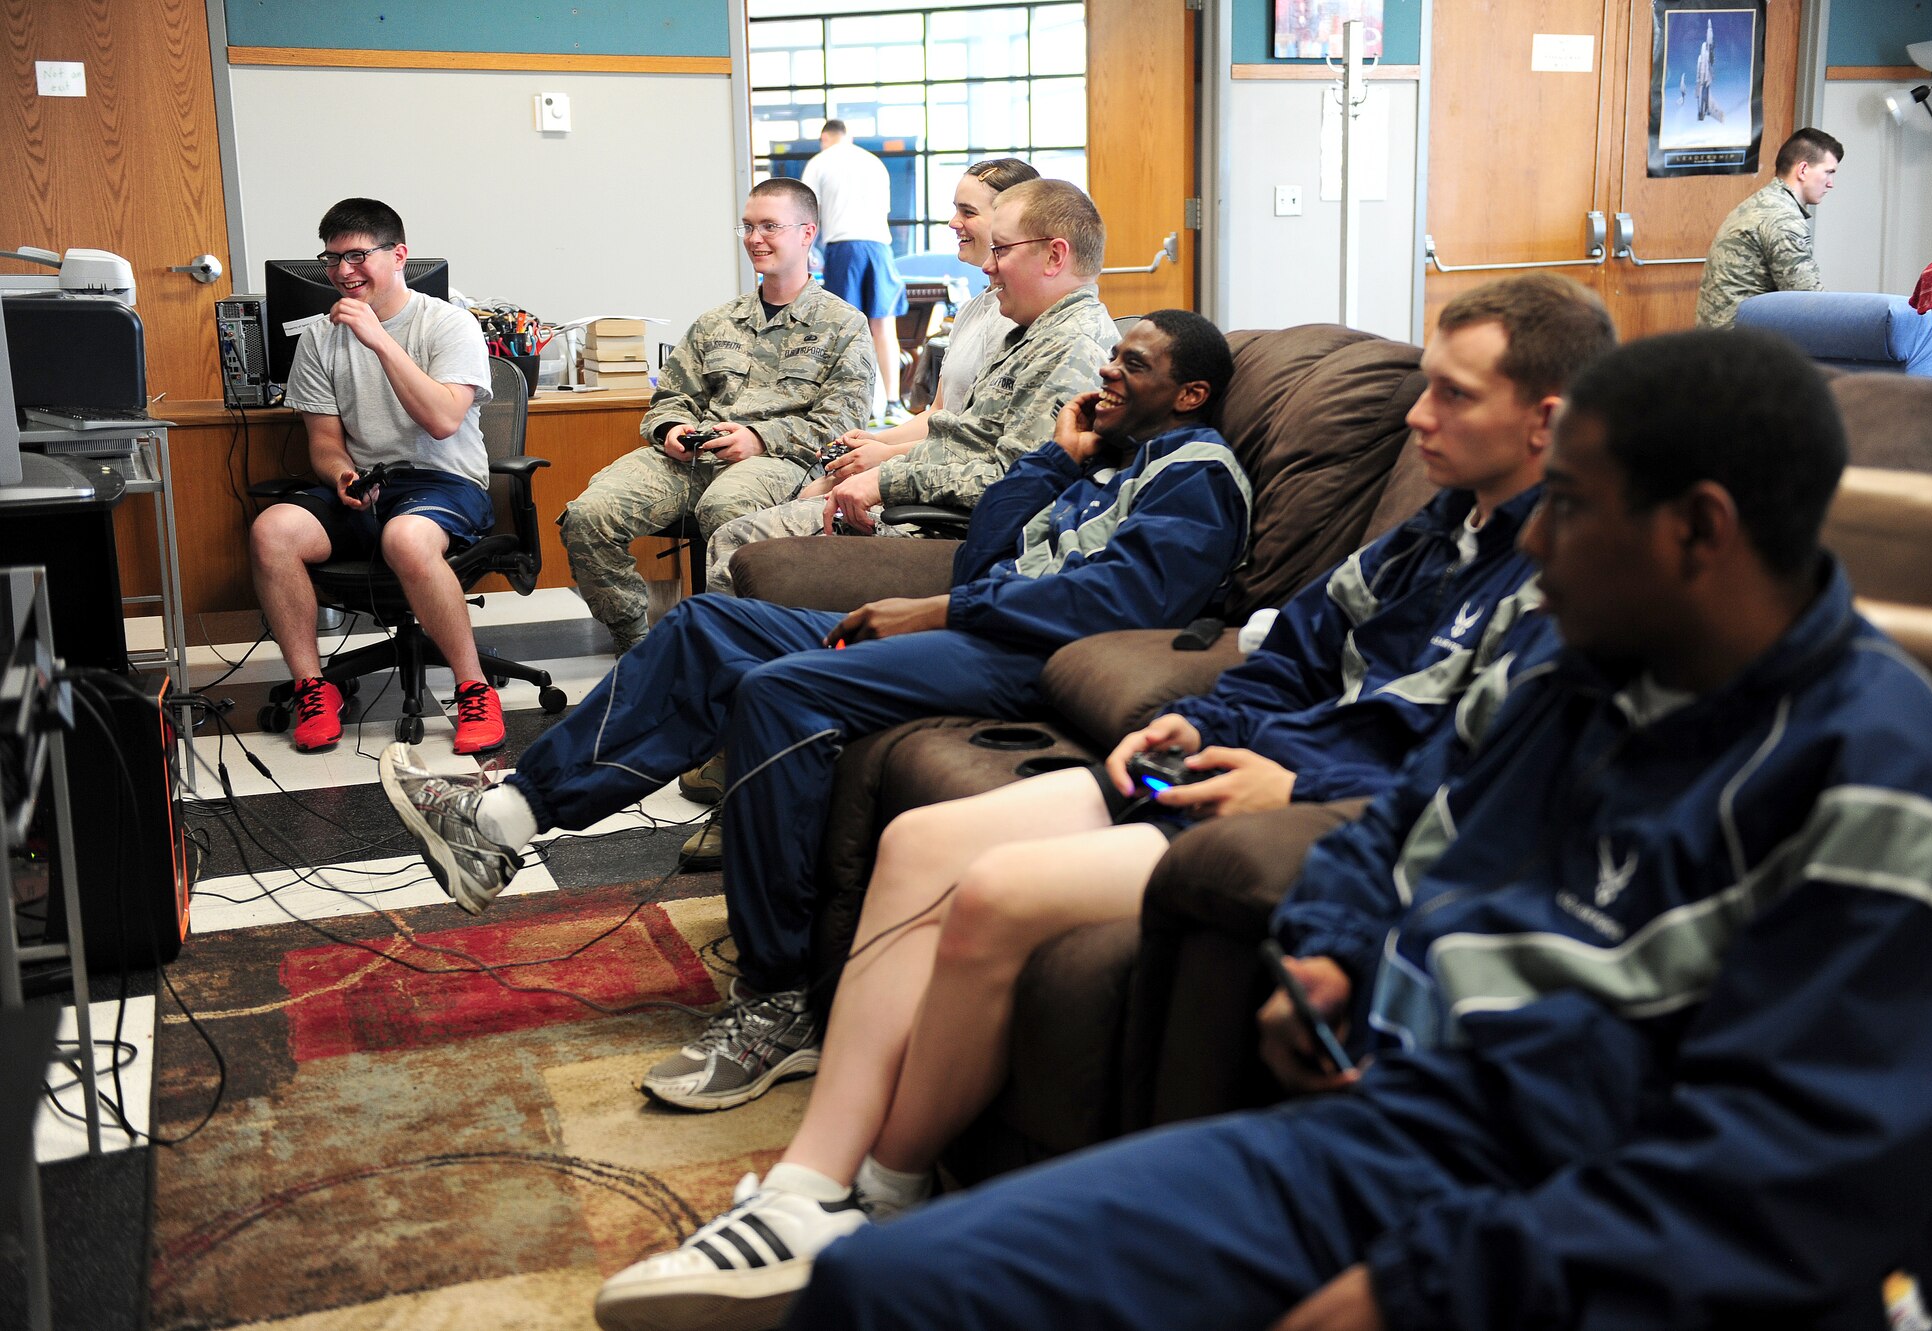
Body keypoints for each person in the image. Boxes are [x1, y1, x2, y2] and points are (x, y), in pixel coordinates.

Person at [783, 327, 1932, 1331]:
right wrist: (1330, 943)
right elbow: (1399, 828)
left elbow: (1771, 1197)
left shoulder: (1899, 786)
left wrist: (1421, 1287)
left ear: (1698, 532)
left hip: (1614, 1243)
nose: (1528, 542)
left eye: (1567, 508)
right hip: (1399, 1148)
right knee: (879, 1287)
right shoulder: (1568, 674)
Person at [585, 274, 1619, 1331]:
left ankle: (885, 1193)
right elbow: (1294, 650)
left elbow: (1483, 762)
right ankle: (807, 1189)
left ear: (1544, 420)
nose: (1415, 413)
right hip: (1242, 766)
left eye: (1451, 395)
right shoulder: (1433, 528)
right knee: (919, 839)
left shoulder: (1573, 572)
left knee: (992, 889)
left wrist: (1298, 781)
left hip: (1305, 805)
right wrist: (1204, 724)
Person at [379, 312, 1251, 1112]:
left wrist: (942, 611)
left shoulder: (1199, 479)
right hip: (987, 625)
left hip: (1026, 660)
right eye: (1113, 356)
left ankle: (783, 995)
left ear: (1190, 394)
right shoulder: (1105, 458)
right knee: (707, 625)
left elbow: (1120, 602)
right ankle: (504, 818)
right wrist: (1054, 461)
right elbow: (983, 554)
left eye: (1131, 364)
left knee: (781, 689)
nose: (1106, 371)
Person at [703, 177, 1119, 580]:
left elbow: (1015, 482)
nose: (989, 266)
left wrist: (884, 479)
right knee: (754, 526)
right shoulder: (1029, 333)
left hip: (951, 530)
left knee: (740, 545)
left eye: (1002, 250)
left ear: (1054, 256)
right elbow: (958, 437)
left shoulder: (1071, 349)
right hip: (926, 496)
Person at [559, 177, 875, 654]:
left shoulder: (843, 325)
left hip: (781, 462)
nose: (755, 239)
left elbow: (841, 426)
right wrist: (671, 429)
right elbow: (668, 397)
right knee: (589, 516)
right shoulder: (717, 321)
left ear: (807, 234)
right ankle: (639, 645)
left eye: (770, 226)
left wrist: (758, 439)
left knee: (726, 511)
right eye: (747, 227)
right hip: (691, 457)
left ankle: (731, 651)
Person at [247, 198, 504, 756]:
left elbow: (441, 421)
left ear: (399, 256)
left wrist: (379, 339)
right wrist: (341, 475)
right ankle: (313, 689)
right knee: (273, 531)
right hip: (368, 483)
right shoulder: (317, 338)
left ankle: (474, 688)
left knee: (406, 538)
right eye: (333, 259)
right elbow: (323, 443)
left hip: (445, 482)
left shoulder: (449, 324)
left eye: (358, 256)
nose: (343, 272)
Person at [801, 119, 908, 414]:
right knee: (884, 327)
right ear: (849, 137)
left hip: (844, 247)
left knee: (846, 329)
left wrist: (808, 251)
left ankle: (853, 406)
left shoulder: (820, 161)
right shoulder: (874, 162)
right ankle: (893, 402)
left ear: (825, 138)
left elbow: (808, 212)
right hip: (879, 247)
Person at [1696, 127, 1842, 328]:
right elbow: (1810, 302)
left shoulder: (1762, 203)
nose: (1830, 184)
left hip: (1721, 340)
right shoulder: (1782, 217)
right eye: (1828, 173)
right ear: (1803, 170)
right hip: (1743, 347)